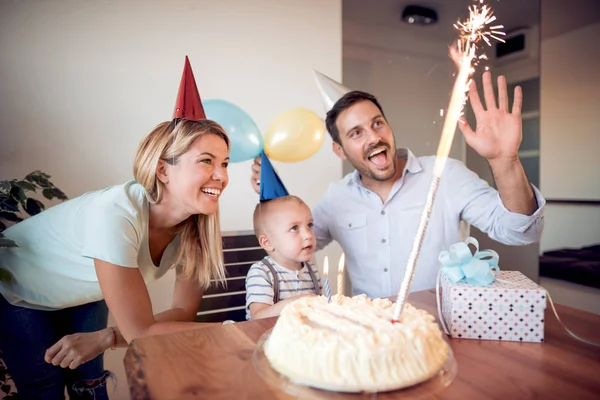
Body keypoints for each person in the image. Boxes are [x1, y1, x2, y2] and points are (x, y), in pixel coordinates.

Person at [0, 59, 231, 398]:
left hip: (84, 289)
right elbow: (140, 329)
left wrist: (107, 337)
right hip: (20, 290)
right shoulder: (117, 213)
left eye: (225, 163)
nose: (222, 175)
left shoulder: (196, 230)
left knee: (91, 383)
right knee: (44, 385)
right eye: (207, 161)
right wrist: (235, 331)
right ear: (164, 171)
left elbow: (183, 312)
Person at [251, 72, 545, 299]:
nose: (373, 137)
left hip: (443, 330)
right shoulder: (336, 198)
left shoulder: (446, 174)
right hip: (373, 338)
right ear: (340, 151)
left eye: (377, 123)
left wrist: (505, 161)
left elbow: (521, 232)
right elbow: (295, 247)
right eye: (356, 133)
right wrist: (277, 206)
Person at [246, 195, 321, 320]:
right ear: (267, 242)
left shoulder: (312, 271)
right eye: (294, 228)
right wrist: (296, 303)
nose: (308, 234)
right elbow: (258, 317)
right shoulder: (261, 273)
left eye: (310, 225)